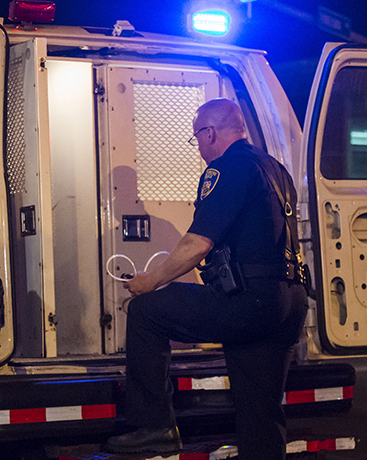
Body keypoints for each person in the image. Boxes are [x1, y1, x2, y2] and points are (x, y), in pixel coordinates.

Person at [104, 98, 308, 460]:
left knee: (146, 311)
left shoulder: (226, 169)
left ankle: (155, 426)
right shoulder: (275, 168)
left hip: (248, 302)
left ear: (209, 132)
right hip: (289, 302)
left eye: (196, 137)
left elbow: (198, 243)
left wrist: (150, 281)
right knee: (261, 415)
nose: (197, 146)